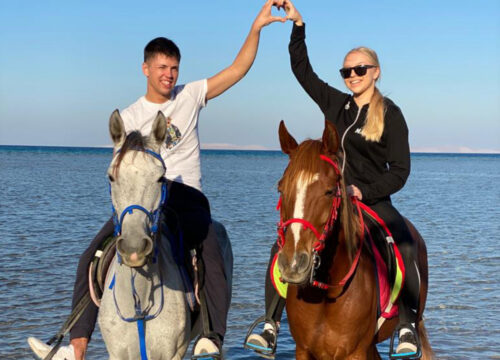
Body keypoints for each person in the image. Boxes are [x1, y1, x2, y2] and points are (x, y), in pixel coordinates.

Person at [29, 1, 287, 359]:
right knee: (91, 256)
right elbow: (121, 175)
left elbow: (238, 69)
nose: (169, 74)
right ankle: (76, 348)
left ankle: (211, 336)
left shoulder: (190, 95)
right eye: (162, 67)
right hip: (144, 199)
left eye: (174, 68)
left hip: (186, 198)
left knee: (211, 246)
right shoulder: (132, 115)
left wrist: (257, 27)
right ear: (146, 68)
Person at [245, 0, 421, 358]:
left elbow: (400, 171)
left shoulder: (391, 115)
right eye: (346, 71)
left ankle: (406, 324)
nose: (352, 76)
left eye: (359, 69)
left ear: (376, 72)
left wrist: (363, 189)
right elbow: (303, 71)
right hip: (332, 197)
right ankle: (270, 321)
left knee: (403, 243)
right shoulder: (337, 105)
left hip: (372, 200)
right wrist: (298, 26)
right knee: (283, 245)